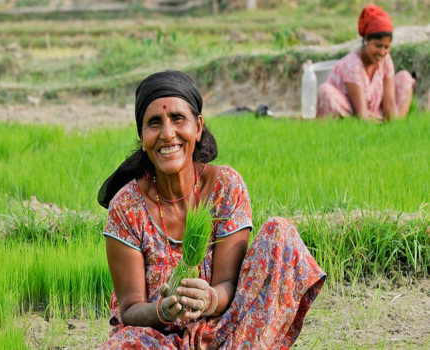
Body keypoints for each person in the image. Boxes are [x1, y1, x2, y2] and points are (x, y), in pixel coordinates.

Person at [98, 70, 326, 349]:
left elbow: (229, 282)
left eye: (178, 119)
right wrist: (163, 310)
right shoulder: (126, 206)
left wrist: (209, 300)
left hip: (225, 333)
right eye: (154, 123)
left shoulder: (225, 187)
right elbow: (130, 310)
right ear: (143, 137)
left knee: (281, 233)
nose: (168, 133)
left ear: (198, 127)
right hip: (157, 340)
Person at [317, 4, 415, 121]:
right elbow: (361, 113)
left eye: (386, 47)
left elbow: (389, 103)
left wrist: (394, 127)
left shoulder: (385, 59)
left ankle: (393, 125)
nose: (382, 52)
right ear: (366, 40)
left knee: (405, 77)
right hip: (352, 113)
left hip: (375, 112)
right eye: (378, 46)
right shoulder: (352, 65)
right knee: (325, 91)